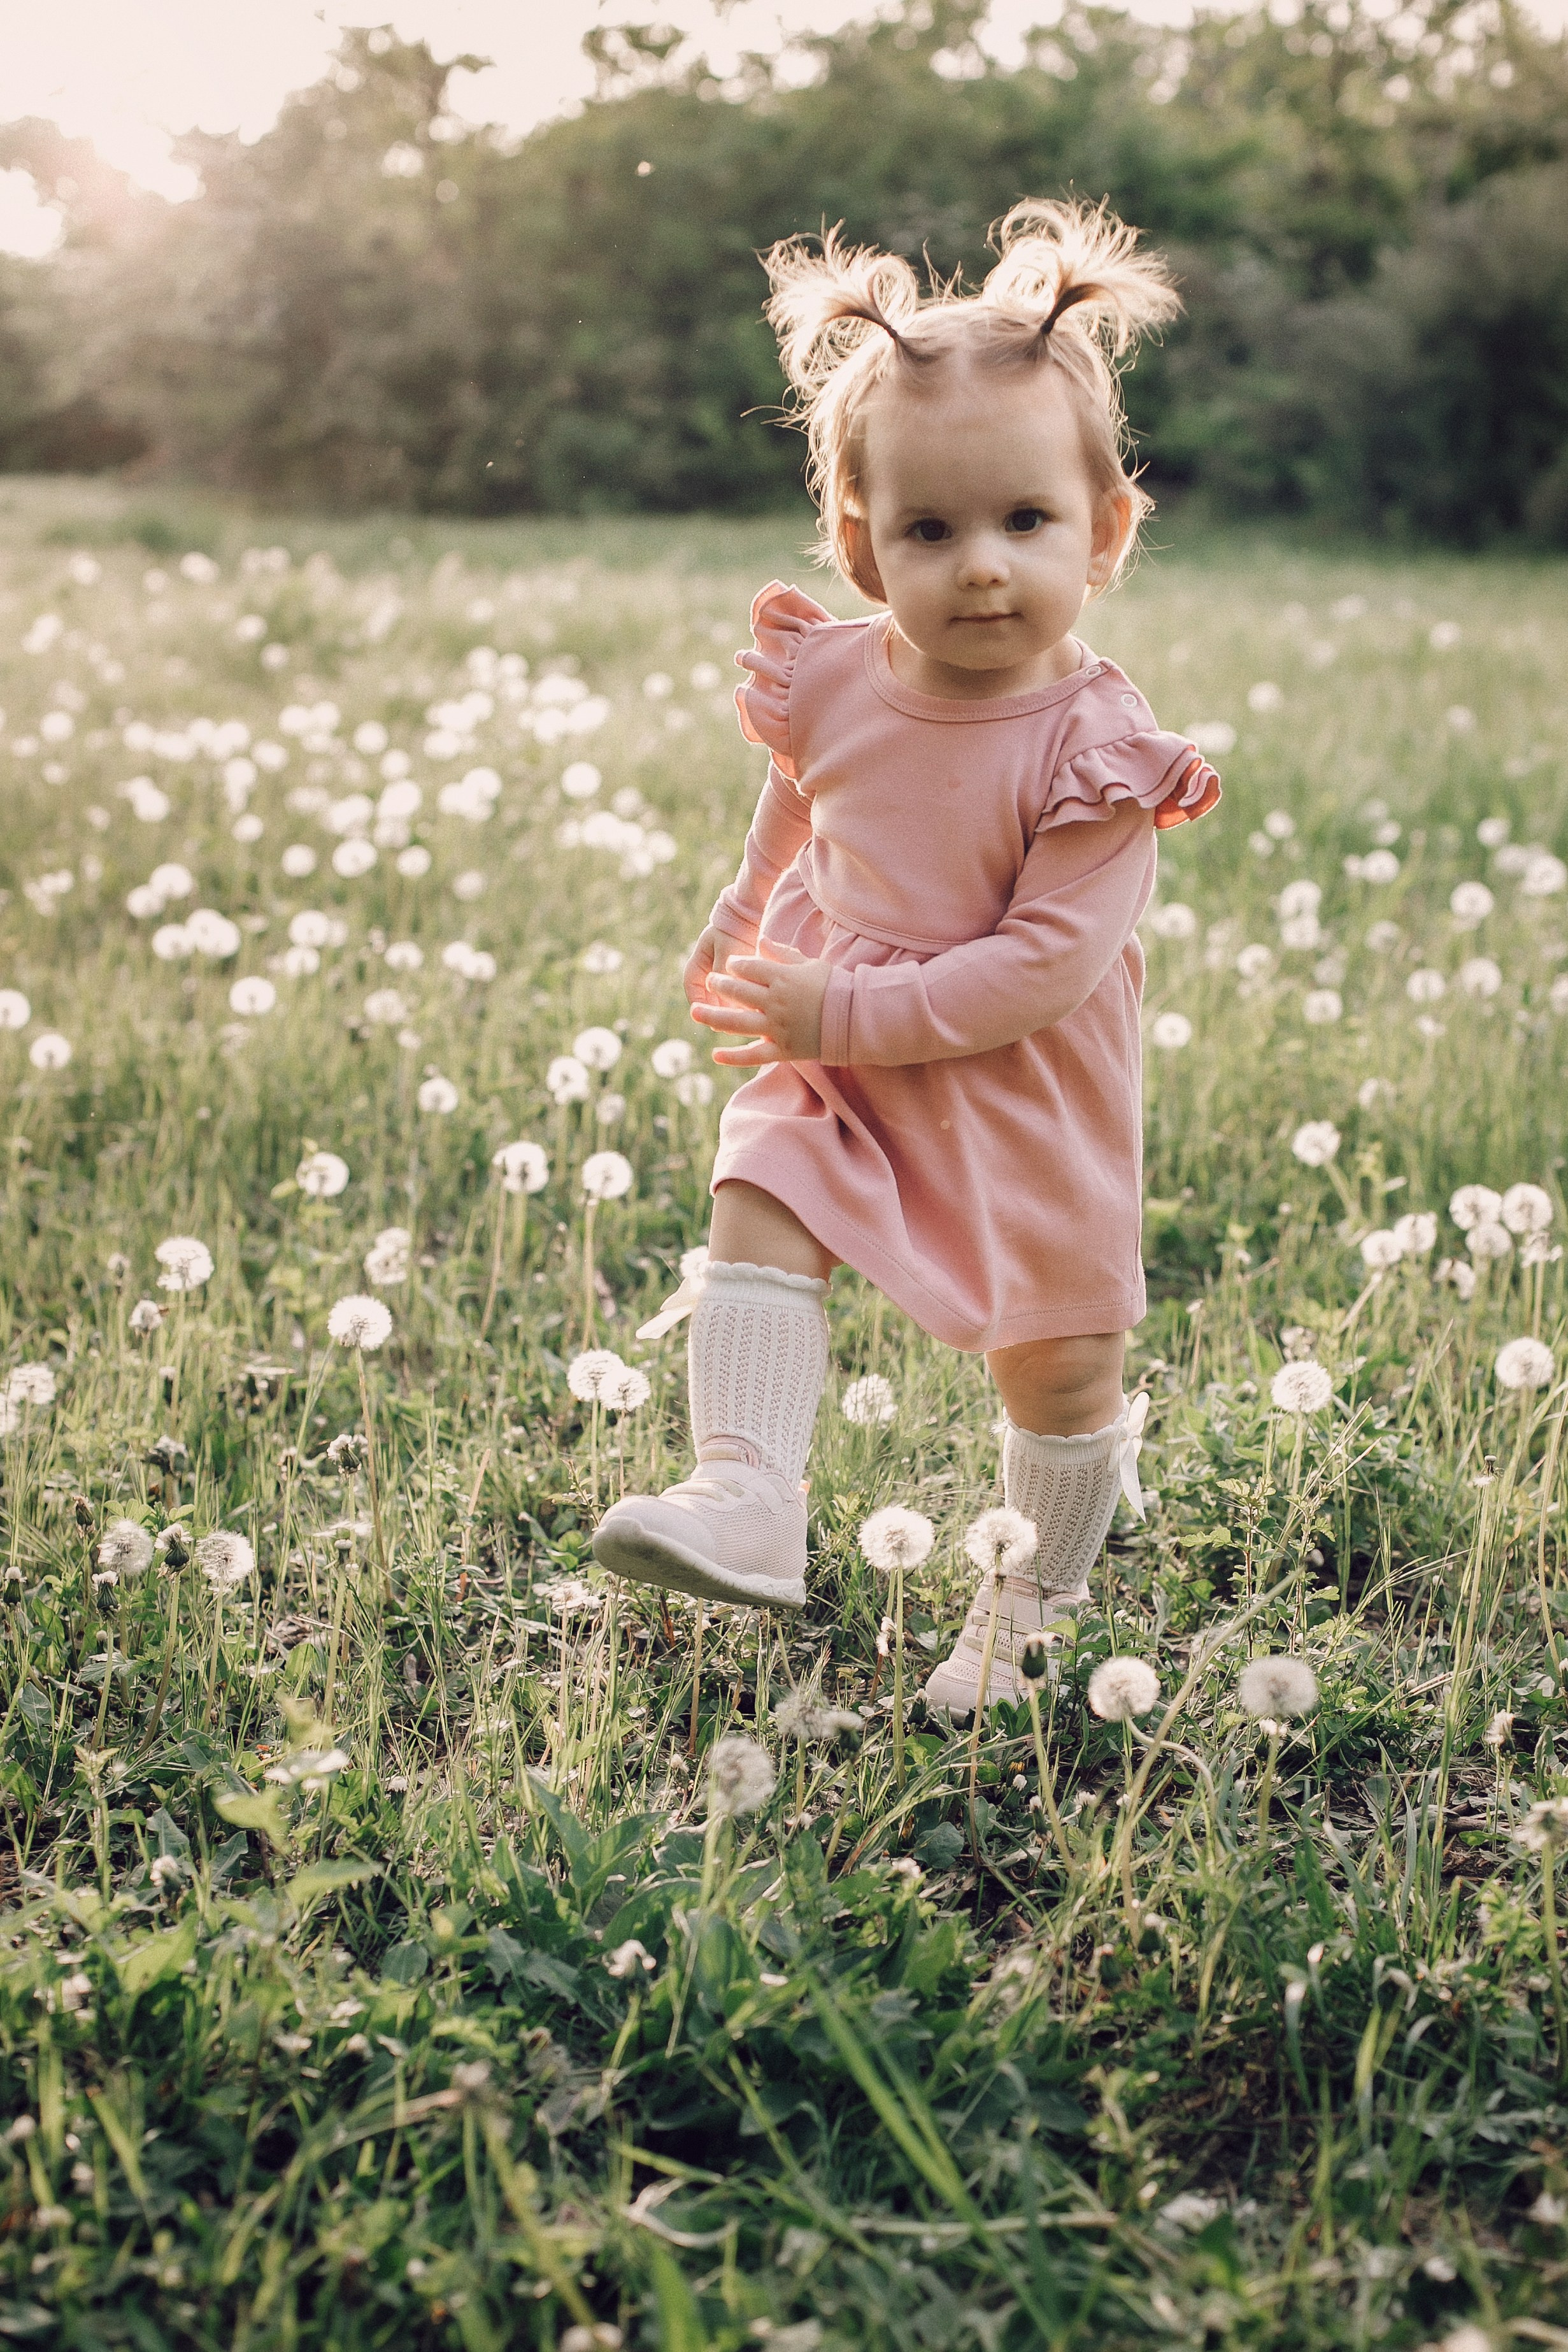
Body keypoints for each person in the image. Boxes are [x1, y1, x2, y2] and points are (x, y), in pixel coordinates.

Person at [593, 199, 1221, 1713]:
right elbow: (797, 798)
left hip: (1021, 1084)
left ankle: (1034, 1597)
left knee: (1055, 1366)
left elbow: (1040, 971)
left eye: (1025, 523)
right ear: (864, 544)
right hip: (845, 1030)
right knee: (763, 1185)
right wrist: (746, 918)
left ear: (1106, 531)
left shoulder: (1101, 751)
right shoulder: (832, 675)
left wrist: (841, 1001)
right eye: (931, 531)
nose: (982, 567)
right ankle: (746, 1484)